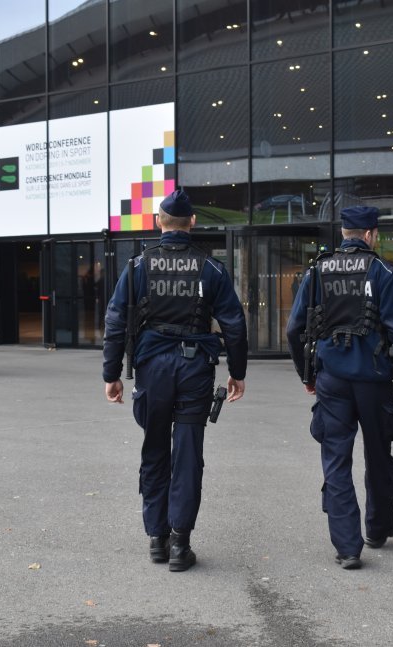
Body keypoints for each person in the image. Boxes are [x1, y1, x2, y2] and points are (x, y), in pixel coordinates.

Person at [103, 189, 248, 572]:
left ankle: (157, 538)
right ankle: (181, 544)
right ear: (193, 223)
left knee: (154, 448)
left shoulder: (136, 266)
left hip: (152, 368)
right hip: (194, 369)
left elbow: (116, 321)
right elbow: (233, 323)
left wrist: (111, 374)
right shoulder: (211, 269)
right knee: (187, 453)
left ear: (158, 222)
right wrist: (238, 372)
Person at [286, 206, 393, 570]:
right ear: (370, 235)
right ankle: (377, 528)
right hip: (374, 379)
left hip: (331, 379)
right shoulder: (382, 271)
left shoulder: (318, 270)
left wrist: (307, 374)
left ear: (345, 233)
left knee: (336, 459)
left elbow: (294, 328)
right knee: (379, 455)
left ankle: (348, 547)